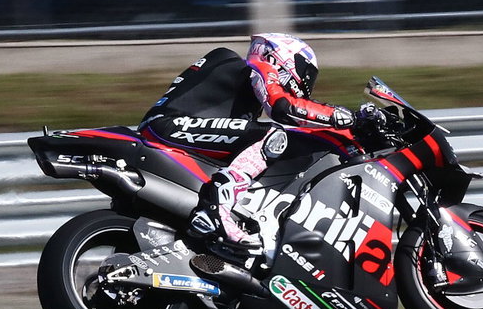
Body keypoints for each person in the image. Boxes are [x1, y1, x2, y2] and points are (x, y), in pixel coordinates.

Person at [149, 33, 374, 262]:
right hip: (170, 125)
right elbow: (283, 108)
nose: (306, 84)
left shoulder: (241, 78)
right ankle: (216, 209)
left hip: (173, 125)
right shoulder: (259, 66)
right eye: (306, 74)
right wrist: (345, 117)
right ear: (282, 57)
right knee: (272, 135)